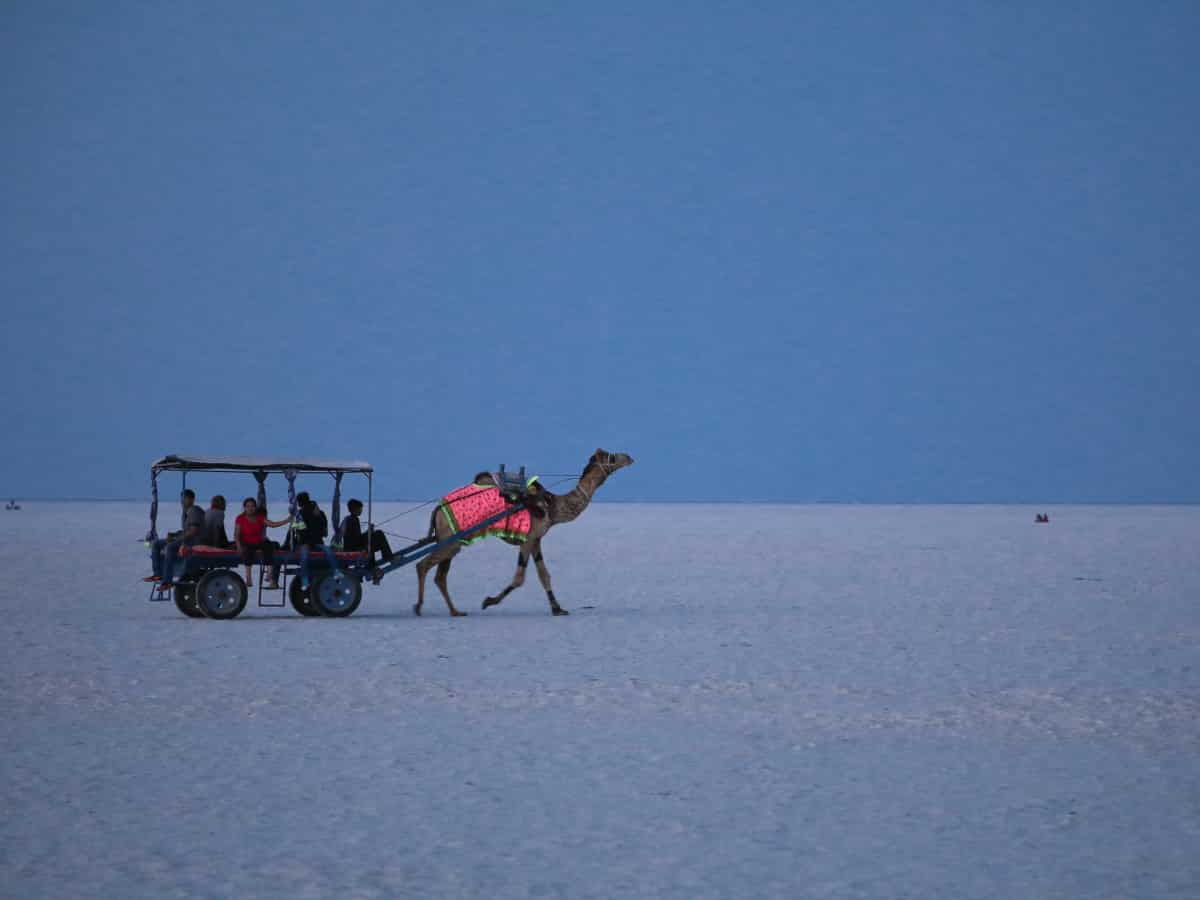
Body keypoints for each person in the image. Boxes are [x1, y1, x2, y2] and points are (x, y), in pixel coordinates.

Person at [148, 489, 206, 588]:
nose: (182, 501)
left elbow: (193, 531)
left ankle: (167, 580)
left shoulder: (194, 511)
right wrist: (175, 534)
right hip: (186, 539)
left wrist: (176, 538)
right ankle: (158, 574)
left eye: (185, 499)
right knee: (156, 544)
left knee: (170, 547)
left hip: (194, 542)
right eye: (182, 499)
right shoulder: (186, 512)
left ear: (191, 499)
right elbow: (187, 530)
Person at [234, 497, 289, 589]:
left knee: (269, 547)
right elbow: (236, 534)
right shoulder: (240, 518)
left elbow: (272, 524)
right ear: (244, 507)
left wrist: (286, 521)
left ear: (255, 507)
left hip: (258, 542)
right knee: (247, 552)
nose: (250, 508)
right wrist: (238, 546)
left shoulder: (260, 517)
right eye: (248, 506)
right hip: (246, 542)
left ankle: (269, 574)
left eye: (252, 506)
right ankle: (248, 578)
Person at [340, 498, 393, 565]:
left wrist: (369, 532)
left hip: (352, 547)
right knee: (379, 534)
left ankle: (386, 557)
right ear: (355, 509)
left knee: (376, 534)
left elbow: (357, 538)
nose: (361, 510)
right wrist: (369, 532)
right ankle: (387, 557)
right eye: (360, 508)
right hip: (354, 549)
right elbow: (357, 540)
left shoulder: (348, 519)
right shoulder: (352, 520)